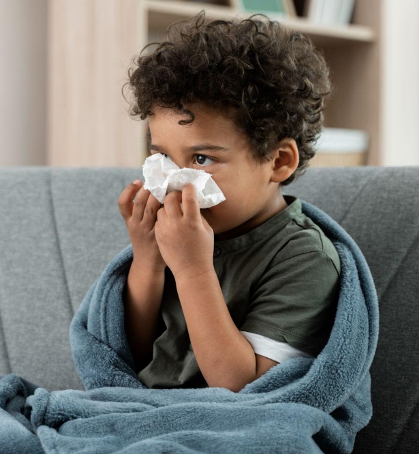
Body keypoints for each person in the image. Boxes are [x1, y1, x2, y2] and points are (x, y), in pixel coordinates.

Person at [118, 13, 340, 392]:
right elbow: (133, 356)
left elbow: (244, 388)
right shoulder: (181, 233)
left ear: (279, 161)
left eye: (202, 159)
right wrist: (148, 258)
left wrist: (191, 270)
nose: (175, 182)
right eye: (165, 159)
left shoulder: (303, 258)